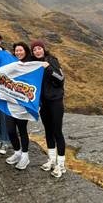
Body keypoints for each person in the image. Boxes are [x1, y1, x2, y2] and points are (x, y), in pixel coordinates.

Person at [31, 39, 66, 178]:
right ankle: (51, 160)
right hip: (43, 103)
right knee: (48, 131)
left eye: (39, 48)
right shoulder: (34, 64)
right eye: (34, 50)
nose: (37, 51)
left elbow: (60, 79)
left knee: (57, 132)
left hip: (55, 102)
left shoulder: (52, 60)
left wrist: (48, 68)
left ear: (43, 49)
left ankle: (61, 165)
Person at [5, 41, 32, 169]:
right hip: (10, 103)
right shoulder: (12, 64)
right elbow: (0, 73)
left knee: (22, 130)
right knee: (10, 130)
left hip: (23, 105)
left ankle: (25, 156)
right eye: (16, 50)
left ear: (25, 51)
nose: (18, 52)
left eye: (21, 50)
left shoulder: (31, 65)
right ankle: (17, 152)